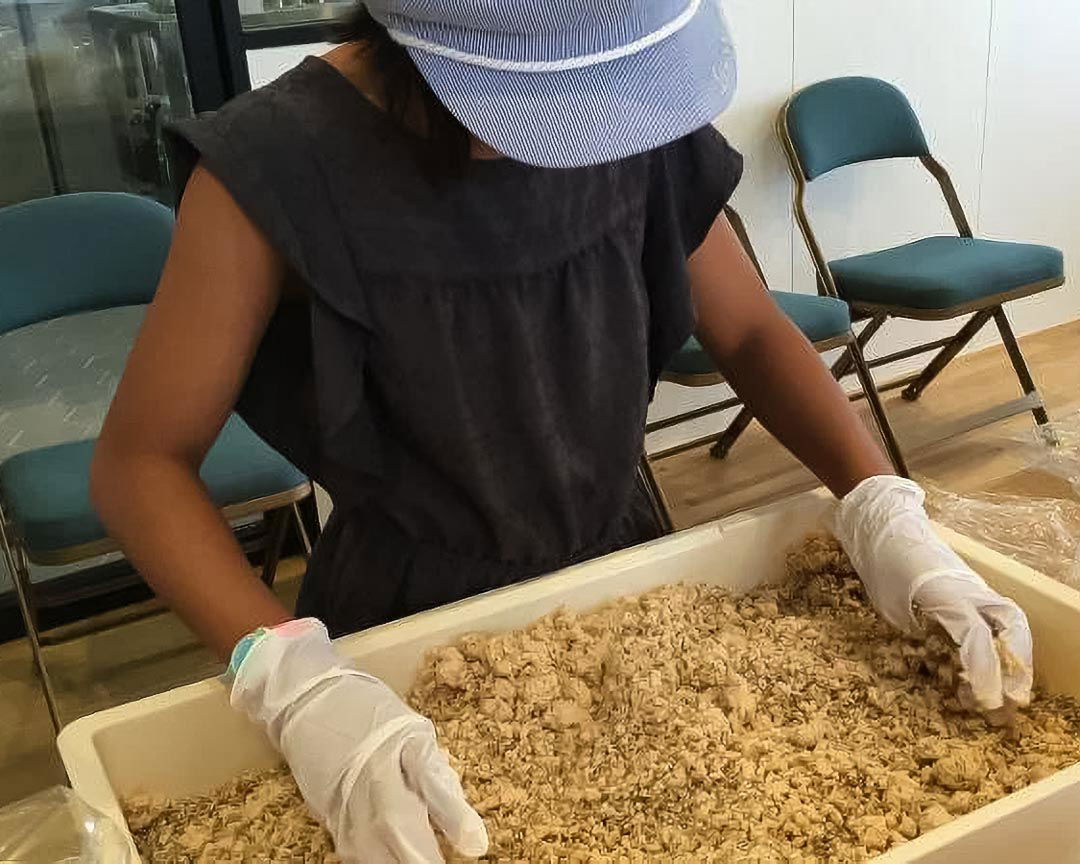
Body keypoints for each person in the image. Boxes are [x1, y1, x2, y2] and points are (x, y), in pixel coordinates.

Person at [90, 1, 1033, 861]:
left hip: (629, 576)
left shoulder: (627, 112)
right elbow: (140, 466)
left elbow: (745, 328)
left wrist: (882, 507)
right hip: (409, 630)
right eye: (541, 108)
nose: (579, 135)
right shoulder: (277, 165)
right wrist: (296, 683)